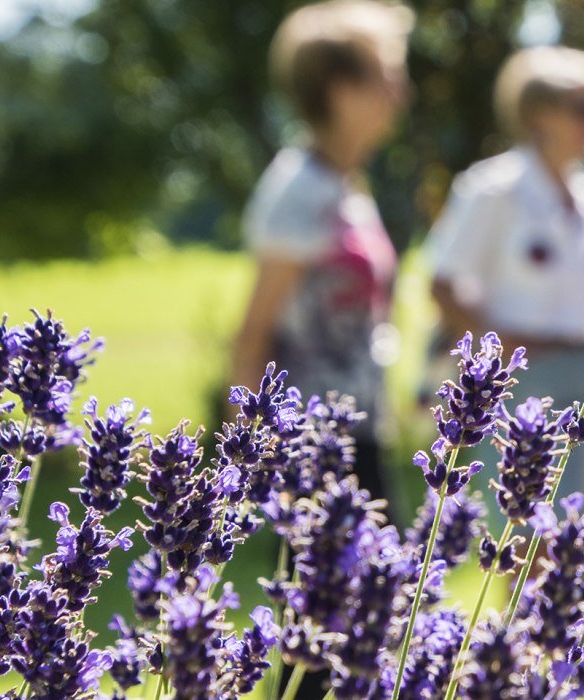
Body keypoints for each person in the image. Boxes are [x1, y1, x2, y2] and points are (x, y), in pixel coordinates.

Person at [231, 0, 413, 508]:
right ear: (342, 90)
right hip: (308, 443)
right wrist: (259, 459)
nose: (403, 94)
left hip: (363, 433)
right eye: (389, 77)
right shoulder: (299, 192)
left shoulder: (348, 187)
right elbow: (255, 333)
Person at [422, 46, 584, 503]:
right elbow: (442, 282)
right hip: (516, 383)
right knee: (521, 525)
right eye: (582, 109)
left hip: (579, 377)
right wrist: (496, 346)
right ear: (538, 116)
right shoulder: (494, 187)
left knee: (574, 528)